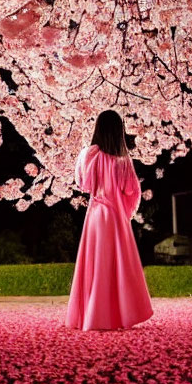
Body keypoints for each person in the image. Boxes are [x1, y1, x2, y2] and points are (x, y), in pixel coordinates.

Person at [65, 110, 153, 331]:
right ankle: (114, 315)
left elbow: (82, 184)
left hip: (94, 215)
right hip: (114, 217)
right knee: (116, 268)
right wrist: (125, 213)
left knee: (93, 266)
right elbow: (133, 192)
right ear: (118, 131)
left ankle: (89, 316)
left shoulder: (89, 156)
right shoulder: (123, 162)